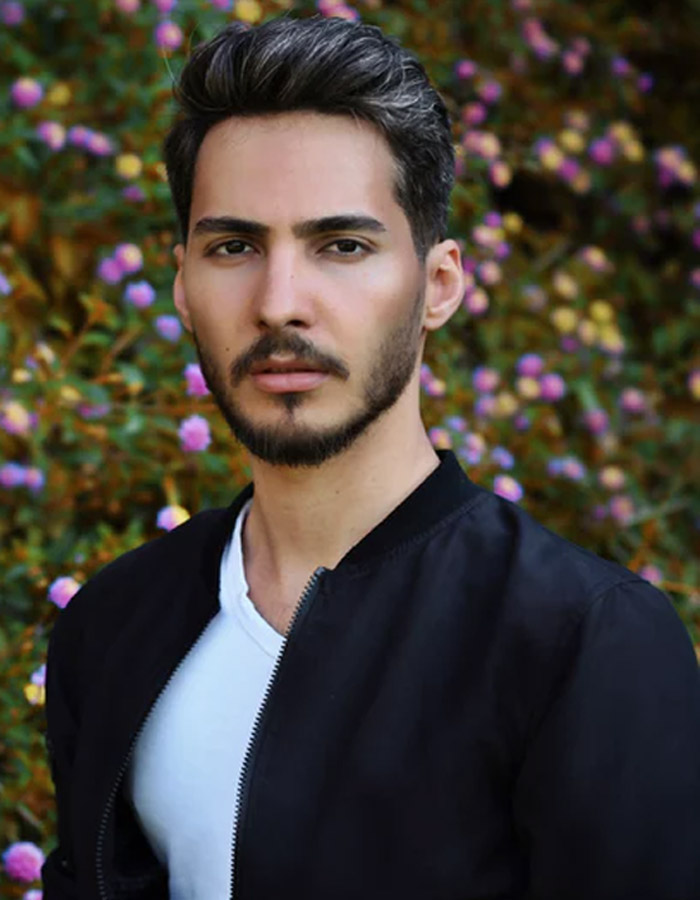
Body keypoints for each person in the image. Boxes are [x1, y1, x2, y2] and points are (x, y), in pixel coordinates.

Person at [42, 14, 700, 900]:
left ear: (438, 286)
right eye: (234, 246)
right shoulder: (113, 624)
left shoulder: (582, 643)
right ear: (183, 287)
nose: (280, 302)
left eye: (342, 246)